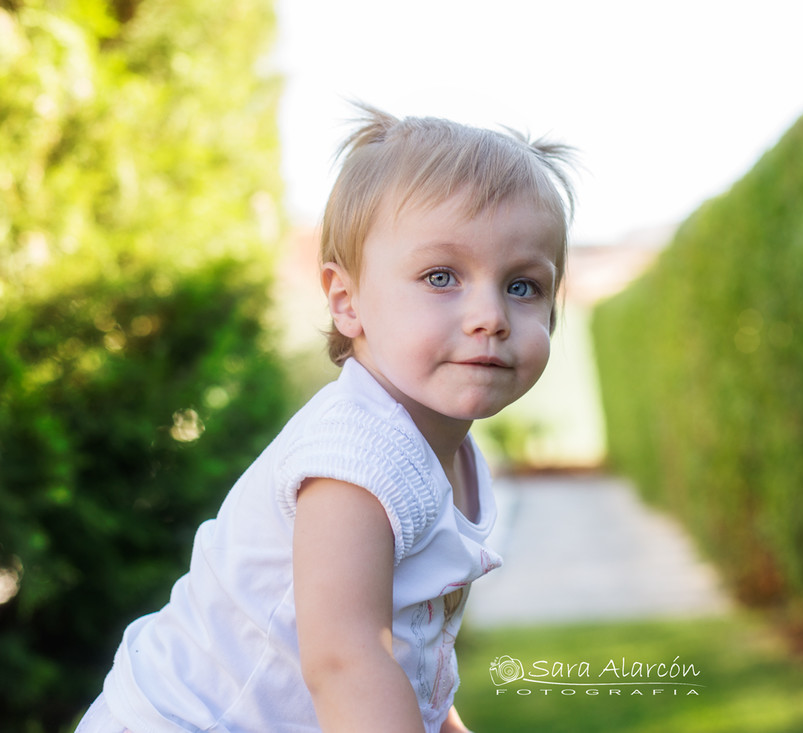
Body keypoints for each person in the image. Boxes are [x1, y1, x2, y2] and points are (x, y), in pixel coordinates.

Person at [76, 105, 576, 733]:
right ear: (347, 301)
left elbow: (410, 654)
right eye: (441, 276)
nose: (491, 315)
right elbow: (347, 660)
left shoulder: (445, 452)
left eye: (523, 286)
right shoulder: (358, 457)